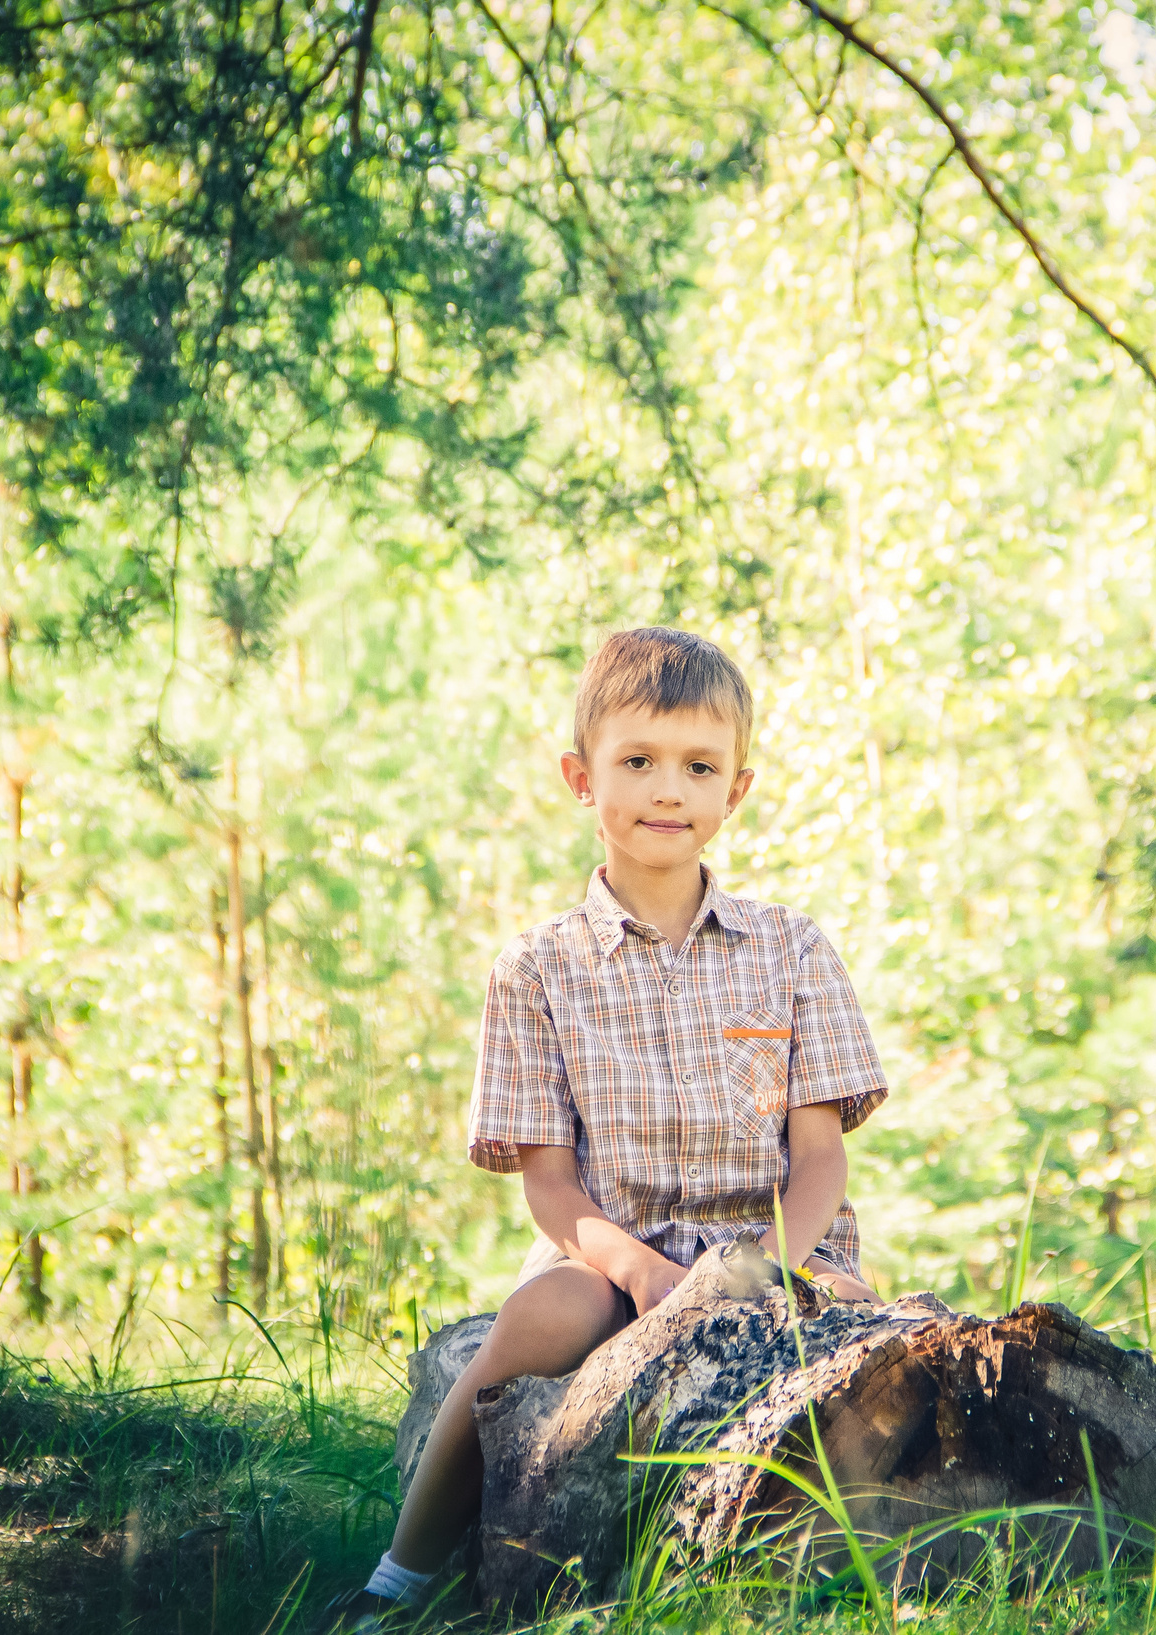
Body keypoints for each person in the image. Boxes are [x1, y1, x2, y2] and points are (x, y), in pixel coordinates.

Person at [325, 626, 889, 1628]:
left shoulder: (793, 949)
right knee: (538, 1324)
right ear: (582, 777)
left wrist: (765, 1268)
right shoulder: (538, 969)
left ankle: (845, 1580)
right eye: (638, 762)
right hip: (612, 1254)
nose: (667, 789)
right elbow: (549, 1187)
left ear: (736, 791)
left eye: (697, 767)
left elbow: (819, 1157)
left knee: (854, 1323)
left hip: (773, 1245)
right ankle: (398, 1578)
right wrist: (639, 1275)